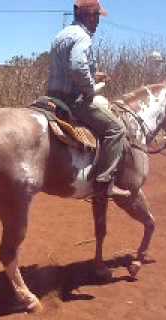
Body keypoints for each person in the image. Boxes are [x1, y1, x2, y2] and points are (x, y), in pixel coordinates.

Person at [47, 0, 131, 199]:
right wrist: (90, 89)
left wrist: (94, 74)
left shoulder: (61, 35)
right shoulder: (83, 37)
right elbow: (77, 66)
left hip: (53, 96)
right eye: (96, 17)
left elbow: (69, 68)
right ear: (88, 15)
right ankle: (104, 182)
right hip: (73, 100)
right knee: (116, 129)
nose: (98, 22)